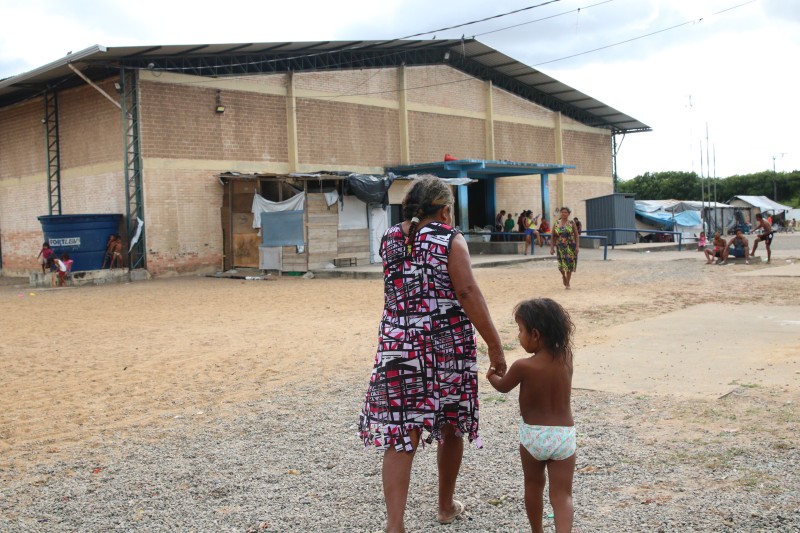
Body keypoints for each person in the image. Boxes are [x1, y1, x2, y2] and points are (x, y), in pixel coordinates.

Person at [358, 175, 506, 533]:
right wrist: (495, 345)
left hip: (397, 346)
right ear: (444, 211)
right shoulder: (449, 238)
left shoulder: (390, 238)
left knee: (401, 432)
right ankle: (445, 505)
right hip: (445, 347)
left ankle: (395, 524)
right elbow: (467, 292)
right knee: (451, 423)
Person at [486, 298, 576, 533]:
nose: (519, 336)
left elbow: (503, 386)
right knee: (562, 495)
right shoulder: (566, 358)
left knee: (533, 485)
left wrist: (492, 374)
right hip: (563, 436)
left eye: (520, 330)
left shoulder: (523, 366)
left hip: (533, 436)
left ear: (535, 334)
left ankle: (537, 531)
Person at [550, 207, 579, 289]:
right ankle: (563, 276)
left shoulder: (571, 223)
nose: (563, 213)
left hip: (570, 247)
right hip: (560, 247)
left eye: (565, 212)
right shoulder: (556, 223)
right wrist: (551, 248)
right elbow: (552, 236)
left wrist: (577, 246)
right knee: (561, 266)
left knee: (569, 265)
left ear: (568, 214)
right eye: (562, 212)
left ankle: (568, 283)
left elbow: (576, 235)